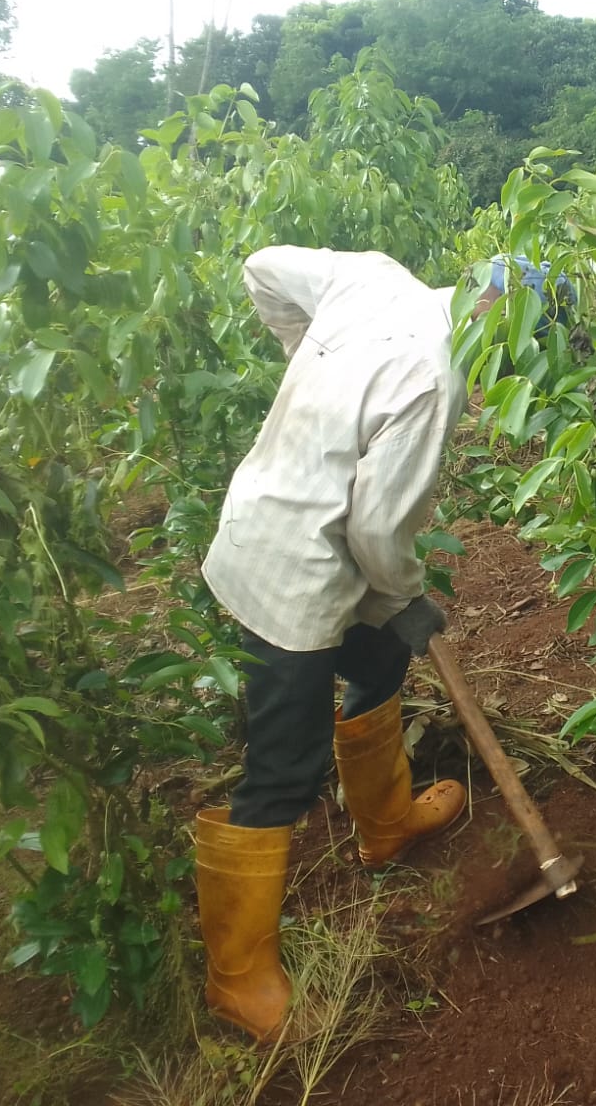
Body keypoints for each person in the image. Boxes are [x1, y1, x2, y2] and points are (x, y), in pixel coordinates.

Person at [194, 244, 491, 1043]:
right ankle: (238, 979)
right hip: (291, 566)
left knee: (379, 658)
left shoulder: (370, 277)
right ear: (498, 321)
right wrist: (405, 596)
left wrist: (308, 369)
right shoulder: (435, 375)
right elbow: (377, 529)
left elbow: (257, 265)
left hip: (275, 514)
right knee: (282, 770)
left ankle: (385, 825)